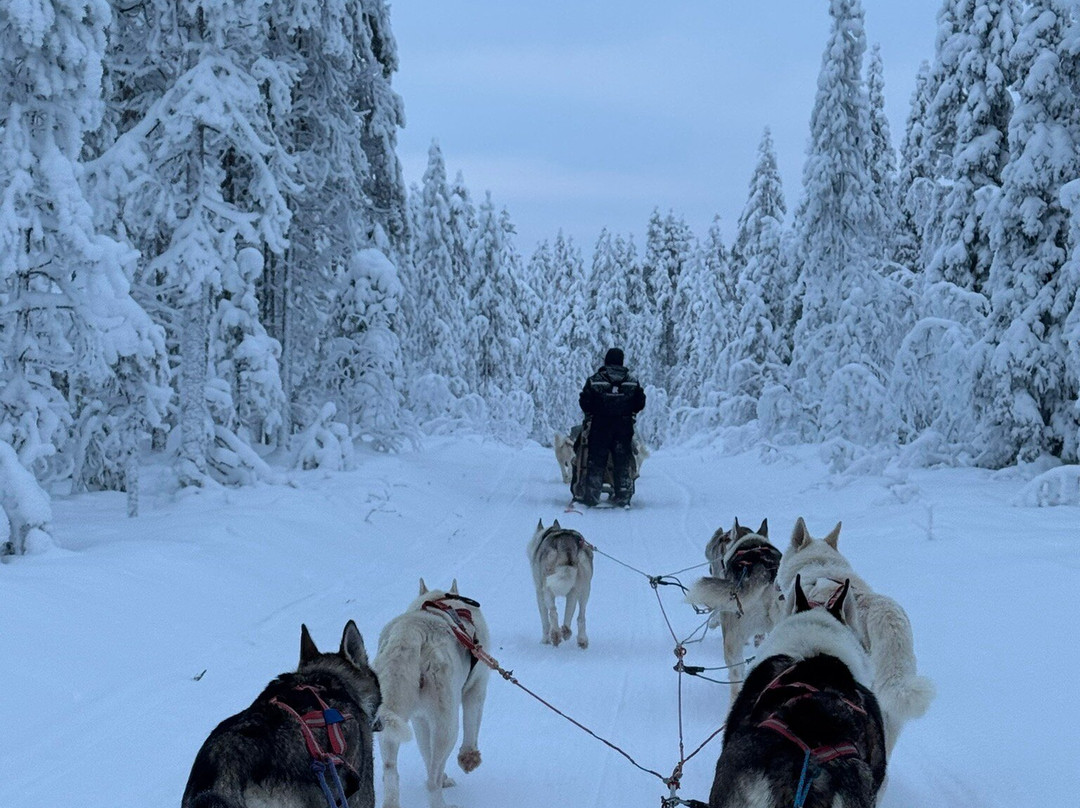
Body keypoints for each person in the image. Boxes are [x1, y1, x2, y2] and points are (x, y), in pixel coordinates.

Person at [576, 347, 646, 507]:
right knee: (622, 462)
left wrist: (595, 411)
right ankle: (623, 496)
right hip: (623, 427)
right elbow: (640, 402)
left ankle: (592, 496)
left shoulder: (595, 380)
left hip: (600, 427)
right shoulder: (632, 381)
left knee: (596, 462)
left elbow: (585, 402)